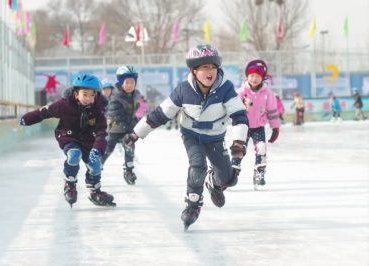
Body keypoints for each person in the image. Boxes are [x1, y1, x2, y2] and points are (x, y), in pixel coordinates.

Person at [123, 44, 248, 230]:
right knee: (197, 167)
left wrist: (238, 142)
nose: (209, 71)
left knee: (230, 179)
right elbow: (161, 114)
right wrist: (136, 133)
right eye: (204, 67)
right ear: (193, 70)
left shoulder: (226, 89)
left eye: (213, 67)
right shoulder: (184, 90)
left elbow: (239, 115)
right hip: (191, 135)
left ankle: (214, 183)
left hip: (215, 137)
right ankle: (192, 204)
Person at [19, 74, 116, 208]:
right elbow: (44, 112)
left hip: (89, 140)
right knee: (74, 154)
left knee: (95, 165)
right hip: (68, 136)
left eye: (92, 95)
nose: (88, 99)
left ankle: (94, 191)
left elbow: (102, 132)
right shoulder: (65, 105)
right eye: (85, 94)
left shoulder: (98, 109)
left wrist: (98, 150)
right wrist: (27, 119)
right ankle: (70, 184)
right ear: (76, 94)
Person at [236, 58, 281, 191]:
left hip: (258, 127)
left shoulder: (267, 93)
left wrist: (275, 128)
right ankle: (232, 174)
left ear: (263, 77)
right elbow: (232, 109)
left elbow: (272, 111)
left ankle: (259, 173)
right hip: (242, 127)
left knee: (261, 149)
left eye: (258, 76)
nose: (254, 79)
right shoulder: (240, 92)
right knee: (238, 150)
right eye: (251, 75)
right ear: (247, 76)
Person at [100, 65, 141, 185]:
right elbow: (117, 114)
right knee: (108, 148)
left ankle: (128, 170)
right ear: (121, 83)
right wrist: (130, 125)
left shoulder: (136, 95)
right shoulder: (116, 97)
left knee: (130, 146)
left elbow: (133, 112)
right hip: (115, 127)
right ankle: (97, 166)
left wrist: (136, 123)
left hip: (127, 126)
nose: (130, 85)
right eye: (127, 82)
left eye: (132, 82)